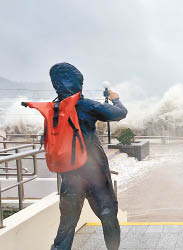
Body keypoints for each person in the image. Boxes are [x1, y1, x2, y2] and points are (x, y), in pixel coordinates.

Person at [49, 63, 127, 250]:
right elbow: (119, 114)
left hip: (69, 174)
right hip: (95, 172)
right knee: (108, 215)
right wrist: (115, 100)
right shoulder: (86, 105)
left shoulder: (54, 109)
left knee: (67, 224)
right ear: (78, 83)